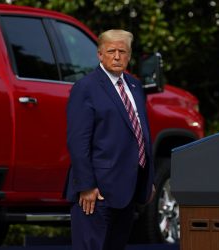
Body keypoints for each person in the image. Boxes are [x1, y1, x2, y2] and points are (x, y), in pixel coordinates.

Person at [64, 29, 155, 250]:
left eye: (122, 51)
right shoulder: (86, 88)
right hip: (96, 194)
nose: (116, 56)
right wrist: (86, 186)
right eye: (111, 51)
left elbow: (140, 134)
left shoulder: (135, 87)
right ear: (99, 55)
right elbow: (78, 142)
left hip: (127, 191)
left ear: (129, 55)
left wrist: (147, 179)